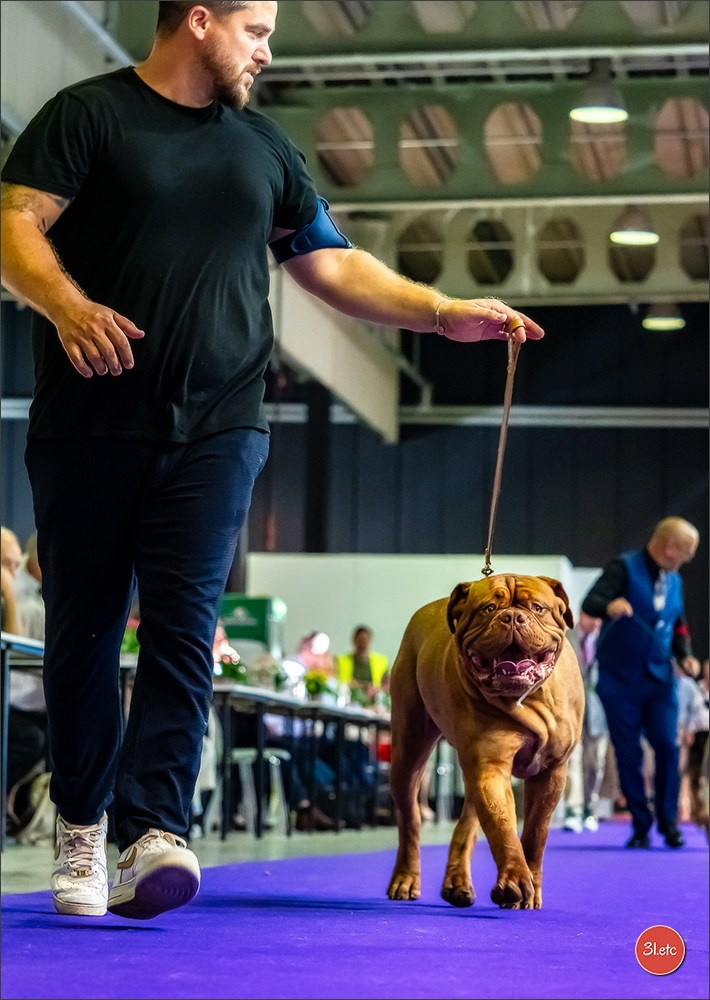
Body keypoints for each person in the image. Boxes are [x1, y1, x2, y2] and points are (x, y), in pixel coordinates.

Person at [0, 0, 544, 921]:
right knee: (85, 634)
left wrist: (440, 309)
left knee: (182, 627)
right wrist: (66, 306)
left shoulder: (263, 148)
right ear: (200, 20)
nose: (267, 49)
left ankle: (151, 834)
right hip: (88, 423)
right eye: (256, 30)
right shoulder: (87, 115)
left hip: (222, 428)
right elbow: (15, 223)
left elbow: (331, 265)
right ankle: (83, 829)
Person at [581, 516, 701, 849]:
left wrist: (686, 654)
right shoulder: (624, 567)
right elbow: (590, 602)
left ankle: (668, 822)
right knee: (628, 752)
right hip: (620, 680)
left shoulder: (674, 580)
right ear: (669, 546)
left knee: (666, 745)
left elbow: (678, 624)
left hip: (660, 679)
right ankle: (640, 823)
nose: (688, 560)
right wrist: (610, 606)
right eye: (687, 552)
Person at [562, 611, 609, 833]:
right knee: (573, 760)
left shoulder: (605, 640)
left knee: (596, 764)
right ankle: (574, 809)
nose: (597, 622)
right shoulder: (566, 638)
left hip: (598, 711)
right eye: (593, 617)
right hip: (571, 709)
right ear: (582, 615)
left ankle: (591, 807)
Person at [336, 626, 390, 706]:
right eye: (360, 640)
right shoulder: (341, 661)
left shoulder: (382, 661)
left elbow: (388, 684)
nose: (362, 644)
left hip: (374, 704)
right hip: (349, 703)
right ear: (354, 640)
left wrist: (377, 690)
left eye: (365, 640)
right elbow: (335, 682)